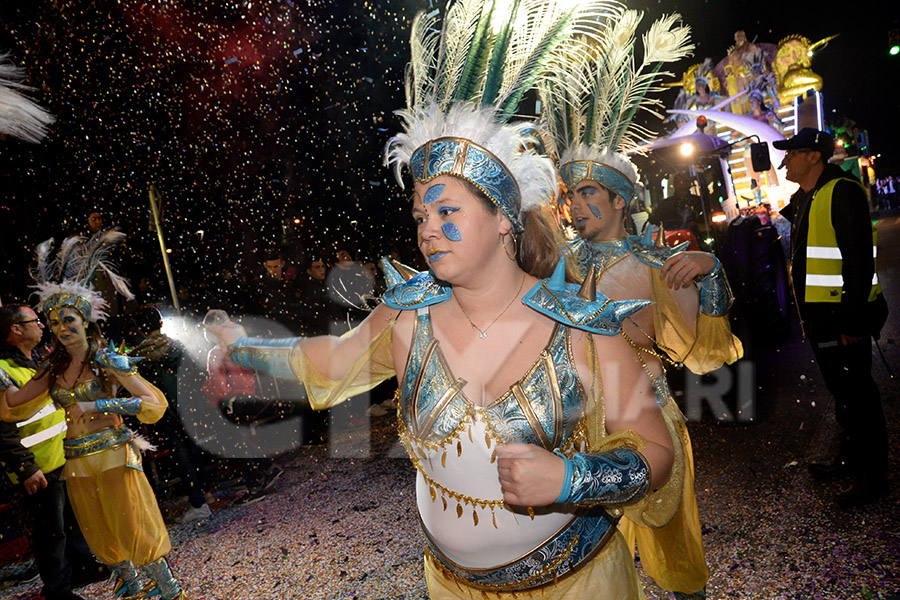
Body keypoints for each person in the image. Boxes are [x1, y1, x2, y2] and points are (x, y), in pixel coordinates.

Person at [210, 3, 688, 597]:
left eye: (447, 212)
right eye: (420, 216)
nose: (427, 230)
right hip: (450, 586)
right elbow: (334, 361)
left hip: (577, 584)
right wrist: (244, 348)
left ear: (504, 220)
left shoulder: (581, 328)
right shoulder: (408, 314)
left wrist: (573, 478)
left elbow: (656, 449)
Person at [539, 12, 738, 599]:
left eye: (589, 192)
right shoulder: (560, 263)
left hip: (644, 411)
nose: (577, 204)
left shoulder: (657, 263)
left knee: (672, 526)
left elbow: (707, 345)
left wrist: (712, 269)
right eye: (572, 193)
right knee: (590, 547)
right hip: (576, 422)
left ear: (622, 200)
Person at [0, 230, 188, 599]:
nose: (60, 329)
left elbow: (151, 402)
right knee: (99, 530)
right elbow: (13, 405)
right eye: (53, 323)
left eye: (68, 320)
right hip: (77, 461)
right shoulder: (52, 367)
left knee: (131, 525)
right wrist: (1, 378)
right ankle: (132, 585)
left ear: (85, 320)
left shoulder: (106, 359)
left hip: (114, 454)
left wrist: (99, 405)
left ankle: (170, 590)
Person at [776, 128, 889, 508]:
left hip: (843, 318)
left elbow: (858, 261)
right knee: (844, 394)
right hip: (822, 319)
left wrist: (853, 323)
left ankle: (873, 476)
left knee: (859, 396)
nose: (785, 161)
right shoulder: (809, 196)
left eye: (792, 153)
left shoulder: (842, 192)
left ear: (814, 157)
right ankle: (851, 459)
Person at [0, 304, 106, 600]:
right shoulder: (2, 370)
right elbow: (1, 428)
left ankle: (83, 567)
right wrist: (25, 467)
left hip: (62, 456)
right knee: (50, 531)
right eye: (35, 321)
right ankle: (57, 590)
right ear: (15, 330)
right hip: (38, 465)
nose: (42, 326)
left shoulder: (38, 362)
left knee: (72, 520)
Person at [123, 305, 211, 523]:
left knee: (180, 457)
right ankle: (205, 492)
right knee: (194, 449)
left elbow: (134, 389)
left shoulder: (137, 358)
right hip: (188, 407)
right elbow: (198, 375)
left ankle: (198, 502)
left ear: (140, 330)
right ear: (161, 324)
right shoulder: (178, 347)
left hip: (163, 413)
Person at [200, 309, 283, 504]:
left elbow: (220, 387)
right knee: (242, 438)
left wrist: (210, 392)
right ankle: (267, 468)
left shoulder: (215, 354)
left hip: (232, 402)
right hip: (248, 396)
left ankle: (255, 482)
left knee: (232, 443)